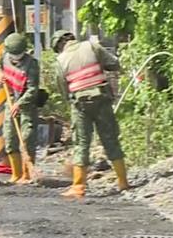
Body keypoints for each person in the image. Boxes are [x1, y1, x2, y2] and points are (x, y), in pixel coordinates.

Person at [53, 30, 129, 198]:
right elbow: (114, 64)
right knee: (110, 139)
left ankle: (78, 187)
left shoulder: (60, 60)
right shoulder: (92, 47)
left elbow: (63, 90)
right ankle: (123, 182)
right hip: (101, 99)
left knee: (81, 143)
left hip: (80, 105)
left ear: (58, 45)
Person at [0, 33, 40, 184]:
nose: (16, 57)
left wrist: (20, 103)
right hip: (11, 101)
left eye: (19, 54)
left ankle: (27, 174)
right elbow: (0, 69)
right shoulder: (3, 57)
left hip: (27, 104)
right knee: (10, 137)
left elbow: (32, 89)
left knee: (27, 137)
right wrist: (1, 77)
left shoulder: (32, 64)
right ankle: (16, 174)